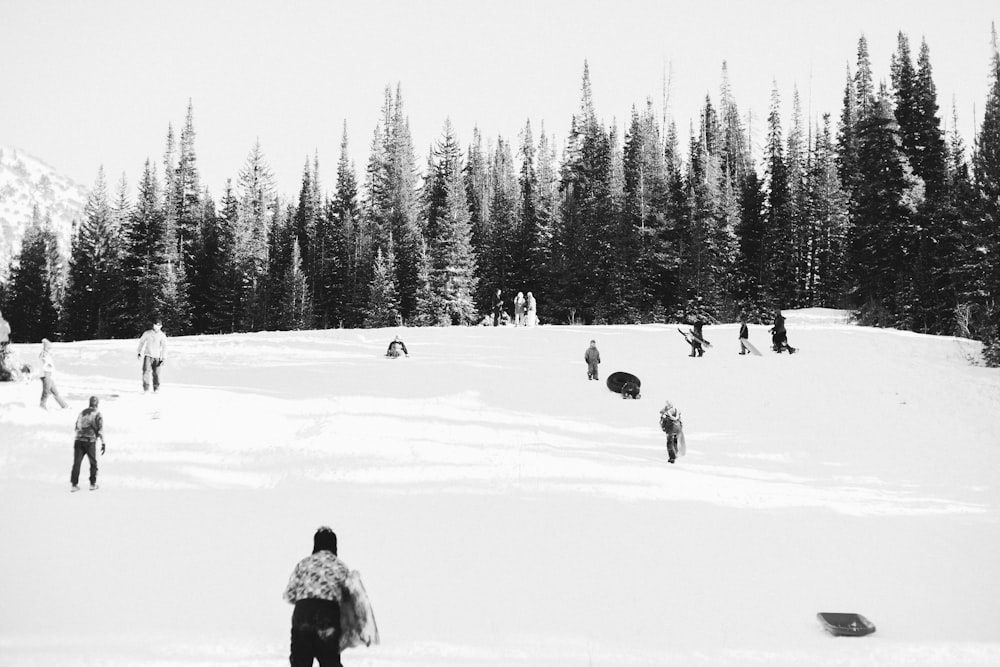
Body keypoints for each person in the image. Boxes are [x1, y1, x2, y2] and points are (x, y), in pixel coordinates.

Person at [284, 527, 351, 667]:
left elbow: (290, 595)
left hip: (302, 614)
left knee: (300, 662)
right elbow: (347, 598)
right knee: (329, 660)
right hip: (328, 614)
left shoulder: (303, 564)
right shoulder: (340, 566)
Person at [71, 396, 105, 491]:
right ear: (97, 404)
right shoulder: (97, 414)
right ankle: (92, 484)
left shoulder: (82, 413)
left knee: (77, 463)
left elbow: (76, 426)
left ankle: (74, 484)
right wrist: (103, 442)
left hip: (78, 440)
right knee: (93, 463)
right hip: (90, 441)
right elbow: (100, 429)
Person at [137, 320, 167, 392]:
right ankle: (146, 388)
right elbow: (141, 342)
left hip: (157, 357)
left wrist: (163, 358)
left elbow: (164, 347)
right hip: (148, 355)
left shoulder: (162, 335)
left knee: (156, 373)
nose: (157, 327)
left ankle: (156, 388)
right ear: (153, 325)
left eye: (159, 325)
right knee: (146, 371)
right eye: (155, 325)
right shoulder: (147, 333)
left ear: (161, 326)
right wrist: (139, 352)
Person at [39, 338, 69, 409]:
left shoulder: (47, 354)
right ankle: (42, 405)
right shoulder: (43, 354)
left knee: (55, 392)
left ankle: (64, 405)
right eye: (49, 348)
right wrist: (48, 365)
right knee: (46, 391)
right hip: (45, 375)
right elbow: (44, 362)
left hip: (49, 376)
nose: (50, 350)